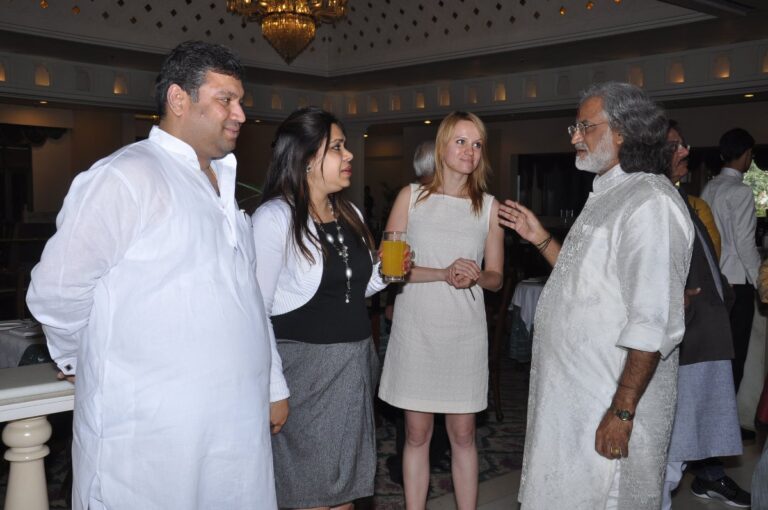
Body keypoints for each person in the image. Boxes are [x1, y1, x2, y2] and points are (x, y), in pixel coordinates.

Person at [26, 41, 287, 510]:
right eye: (225, 99)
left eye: (240, 100)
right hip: (150, 434)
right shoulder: (125, 177)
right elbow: (56, 290)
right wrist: (81, 362)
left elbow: (247, 299)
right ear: (178, 99)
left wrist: (272, 387)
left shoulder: (224, 185)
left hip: (233, 430)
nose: (241, 114)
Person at [499, 82, 694, 509]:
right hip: (574, 403)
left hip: (607, 402)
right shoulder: (609, 193)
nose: (573, 136)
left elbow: (652, 320)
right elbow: (585, 283)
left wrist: (622, 412)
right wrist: (540, 239)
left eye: (584, 126)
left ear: (622, 131)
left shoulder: (650, 203)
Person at [251, 107, 401, 510]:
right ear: (306, 158)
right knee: (311, 494)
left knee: (345, 494)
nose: (349, 155)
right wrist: (273, 389)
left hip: (353, 370)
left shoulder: (348, 212)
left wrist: (387, 274)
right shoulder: (274, 218)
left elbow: (351, 288)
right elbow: (255, 313)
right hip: (306, 374)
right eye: (337, 147)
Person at [378, 111, 505, 509]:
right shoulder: (410, 197)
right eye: (461, 141)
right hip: (418, 328)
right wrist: (443, 272)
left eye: (477, 143)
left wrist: (477, 276)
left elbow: (497, 278)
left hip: (463, 333)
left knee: (464, 434)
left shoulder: (488, 207)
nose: (470, 151)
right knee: (416, 435)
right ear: (442, 146)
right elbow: (389, 269)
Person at [662, 121, 749, 509]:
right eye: (676, 146)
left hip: (705, 324)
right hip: (691, 332)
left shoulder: (687, 195)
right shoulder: (658, 199)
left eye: (685, 144)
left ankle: (698, 480)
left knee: (691, 430)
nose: (685, 153)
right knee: (677, 436)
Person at [701, 128, 760, 394]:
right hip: (736, 282)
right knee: (735, 355)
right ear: (747, 155)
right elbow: (746, 244)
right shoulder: (741, 191)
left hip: (712, 280)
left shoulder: (709, 187)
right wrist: (762, 282)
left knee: (713, 354)